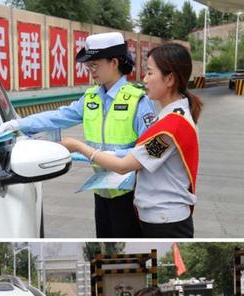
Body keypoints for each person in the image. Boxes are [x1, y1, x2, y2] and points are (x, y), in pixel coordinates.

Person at [0, 32, 155, 238]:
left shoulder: (137, 101)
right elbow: (57, 117)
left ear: (113, 62)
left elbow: (150, 151)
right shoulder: (91, 98)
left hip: (130, 195)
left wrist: (111, 157)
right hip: (101, 191)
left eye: (95, 65)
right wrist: (18, 124)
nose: (91, 71)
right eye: (88, 66)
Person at [59, 43, 202, 238]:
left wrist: (78, 147)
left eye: (150, 73)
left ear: (169, 79)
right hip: (158, 216)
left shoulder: (171, 128)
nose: (144, 79)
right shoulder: (169, 118)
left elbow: (124, 165)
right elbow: (137, 155)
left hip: (166, 222)